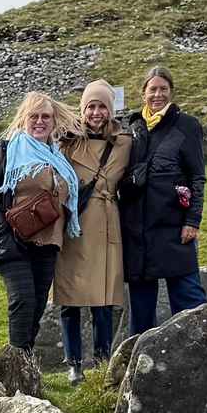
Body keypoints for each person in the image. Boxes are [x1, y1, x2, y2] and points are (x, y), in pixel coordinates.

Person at [0, 91, 83, 354]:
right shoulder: (7, 151)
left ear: (54, 121)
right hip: (13, 242)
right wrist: (3, 234)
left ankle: (26, 365)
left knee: (35, 308)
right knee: (22, 302)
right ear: (23, 118)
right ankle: (15, 369)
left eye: (46, 116)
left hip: (48, 244)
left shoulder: (58, 157)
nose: (40, 121)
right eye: (33, 116)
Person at [120, 65, 207, 336]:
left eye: (163, 89)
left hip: (173, 226)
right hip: (138, 228)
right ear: (143, 93)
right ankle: (136, 361)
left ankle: (199, 350)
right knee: (141, 310)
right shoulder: (133, 127)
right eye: (152, 89)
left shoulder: (187, 126)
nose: (157, 95)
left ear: (171, 92)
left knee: (189, 302)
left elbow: (197, 178)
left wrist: (192, 221)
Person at [55, 79, 132, 384]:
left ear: (111, 110)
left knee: (103, 300)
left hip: (106, 221)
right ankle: (73, 364)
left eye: (102, 106)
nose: (96, 112)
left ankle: (101, 362)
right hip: (75, 224)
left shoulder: (125, 141)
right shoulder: (68, 140)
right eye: (91, 106)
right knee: (69, 298)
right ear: (82, 110)